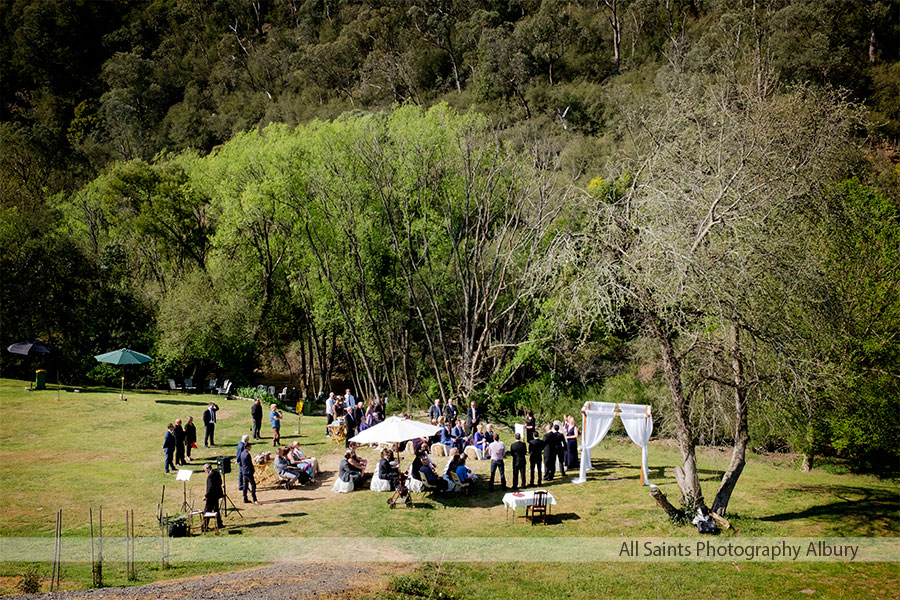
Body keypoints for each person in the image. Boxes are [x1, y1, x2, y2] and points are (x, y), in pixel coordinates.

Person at [202, 463, 225, 529]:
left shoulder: (210, 476)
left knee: (207, 511)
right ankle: (219, 524)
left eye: (205, 469)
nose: (205, 471)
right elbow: (220, 482)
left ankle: (204, 527)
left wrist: (206, 496)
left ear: (208, 468)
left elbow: (210, 487)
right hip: (216, 495)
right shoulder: (216, 473)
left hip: (211, 496)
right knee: (216, 510)